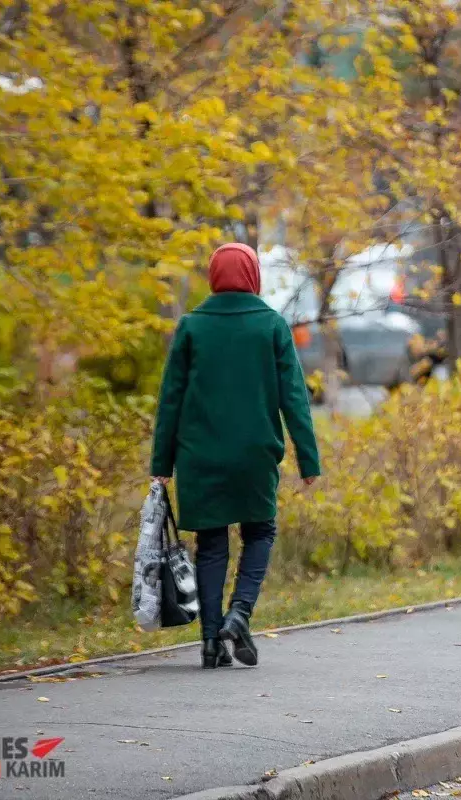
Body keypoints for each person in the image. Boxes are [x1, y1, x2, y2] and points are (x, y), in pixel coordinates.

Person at [150, 243, 321, 668]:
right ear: (252, 275)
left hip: (199, 457)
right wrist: (309, 460)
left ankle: (211, 643)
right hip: (254, 455)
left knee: (211, 544)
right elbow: (294, 397)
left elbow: (171, 399)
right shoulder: (272, 326)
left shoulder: (191, 326)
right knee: (260, 532)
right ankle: (239, 614)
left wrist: (161, 465)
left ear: (214, 276)